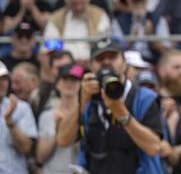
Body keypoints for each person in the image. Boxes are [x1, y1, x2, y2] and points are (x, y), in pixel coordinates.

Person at [55, 37, 164, 174]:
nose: (106, 62)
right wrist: (82, 102)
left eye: (112, 57)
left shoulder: (145, 98)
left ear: (124, 63)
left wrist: (120, 112)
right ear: (91, 66)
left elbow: (154, 147)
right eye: (100, 59)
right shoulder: (87, 98)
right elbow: (63, 141)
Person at [0, 61, 37, 174]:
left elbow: (26, 148)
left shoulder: (21, 107)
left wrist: (10, 122)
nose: (2, 83)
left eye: (4, 78)